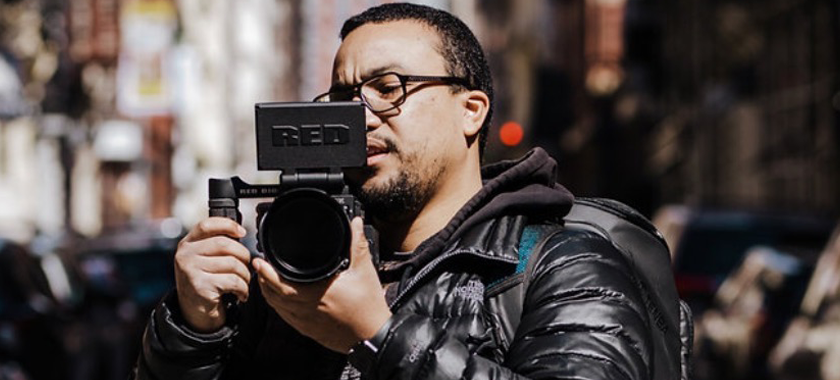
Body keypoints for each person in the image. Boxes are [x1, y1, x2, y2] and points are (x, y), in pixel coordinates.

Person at [134, 3, 675, 379]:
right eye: (343, 97)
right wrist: (193, 330)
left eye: (388, 89)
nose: (359, 116)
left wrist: (376, 334)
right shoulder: (292, 265)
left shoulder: (564, 265)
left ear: (471, 111)